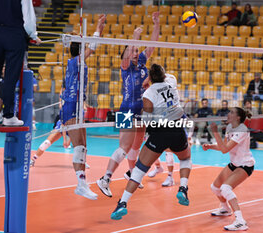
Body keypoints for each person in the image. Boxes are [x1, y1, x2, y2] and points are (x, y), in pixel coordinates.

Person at [111, 64, 192, 220]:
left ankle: (122, 203)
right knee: (185, 158)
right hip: (177, 128)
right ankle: (183, 187)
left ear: (150, 77)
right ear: (163, 74)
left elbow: (147, 117)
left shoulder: (148, 92)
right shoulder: (171, 83)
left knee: (140, 169)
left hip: (160, 131)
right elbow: (163, 76)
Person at [96, 12, 160, 198]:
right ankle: (105, 178)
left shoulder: (140, 61)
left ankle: (132, 174)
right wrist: (135, 36)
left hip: (141, 111)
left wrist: (156, 24)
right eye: (131, 50)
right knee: (124, 147)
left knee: (136, 145)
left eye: (135, 50)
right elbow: (130, 50)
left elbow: (153, 45)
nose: (134, 53)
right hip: (127, 110)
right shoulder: (125, 65)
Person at [60, 14, 106, 200]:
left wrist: (99, 29)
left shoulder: (80, 64)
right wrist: (97, 27)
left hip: (78, 106)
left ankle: (82, 183)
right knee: (79, 146)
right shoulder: (74, 62)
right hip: (71, 106)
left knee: (83, 147)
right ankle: (81, 184)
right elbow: (92, 47)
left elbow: (92, 47)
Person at [0, 0, 41, 126]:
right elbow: (28, 17)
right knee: (10, 76)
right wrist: (33, 35)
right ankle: (8, 115)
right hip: (15, 35)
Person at [202, 107, 254, 231]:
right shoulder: (230, 128)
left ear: (238, 117)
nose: (228, 114)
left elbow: (225, 150)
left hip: (245, 165)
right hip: (234, 163)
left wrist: (215, 132)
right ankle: (225, 209)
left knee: (225, 188)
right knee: (215, 187)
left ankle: (240, 221)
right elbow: (223, 147)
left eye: (231, 112)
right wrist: (211, 146)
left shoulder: (242, 130)